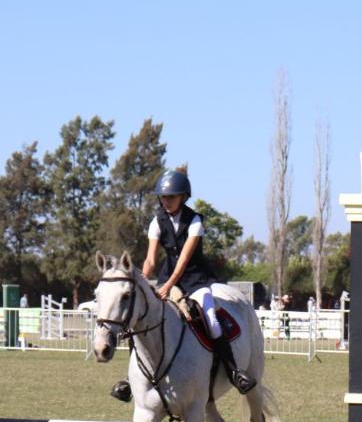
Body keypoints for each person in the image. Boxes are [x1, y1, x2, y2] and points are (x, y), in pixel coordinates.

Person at [110, 167, 256, 401]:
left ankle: (234, 371)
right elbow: (150, 259)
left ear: (183, 197)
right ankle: (131, 379)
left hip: (196, 280)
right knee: (143, 319)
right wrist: (141, 280)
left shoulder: (195, 221)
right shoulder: (156, 222)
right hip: (168, 278)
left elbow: (185, 260)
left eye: (172, 197)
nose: (167, 201)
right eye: (164, 197)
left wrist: (168, 286)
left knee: (211, 319)